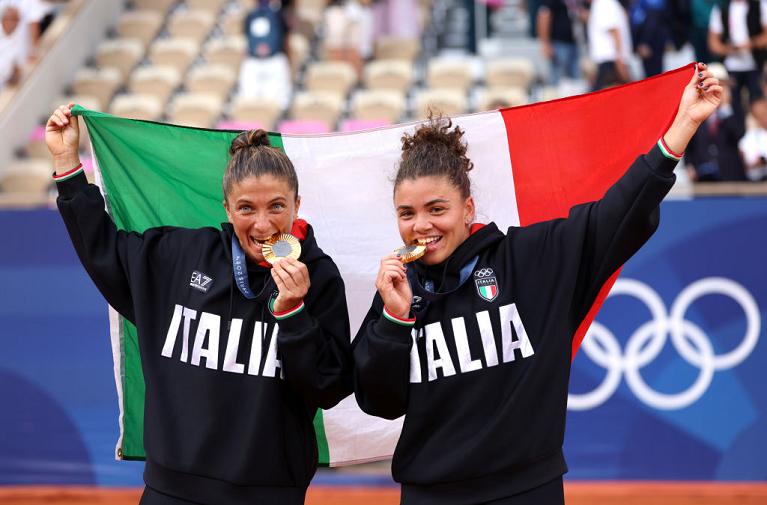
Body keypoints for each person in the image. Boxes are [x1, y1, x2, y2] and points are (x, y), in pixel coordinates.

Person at [353, 62, 721, 505]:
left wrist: (683, 125)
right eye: (406, 214)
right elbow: (380, 402)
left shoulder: (529, 258)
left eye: (437, 209)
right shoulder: (398, 290)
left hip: (527, 491)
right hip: (430, 494)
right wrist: (393, 322)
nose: (421, 226)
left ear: (467, 209)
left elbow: (614, 217)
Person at [46, 104, 352, 505]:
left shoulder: (318, 276)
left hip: (269, 494)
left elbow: (329, 386)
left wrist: (294, 315)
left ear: (297, 204)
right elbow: (104, 251)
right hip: (171, 493)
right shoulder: (180, 256)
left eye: (276, 206)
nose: (262, 224)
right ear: (226, 207)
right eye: (246, 208)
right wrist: (67, 162)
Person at [707, 0, 767, 117]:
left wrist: (752, 44)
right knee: (731, 105)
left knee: (758, 103)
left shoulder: (759, 5)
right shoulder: (722, 8)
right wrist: (728, 49)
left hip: (754, 64)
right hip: (730, 67)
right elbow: (713, 42)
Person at [587, 0, 633, 90]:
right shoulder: (602, 3)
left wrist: (619, 61)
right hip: (609, 62)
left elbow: (615, 31)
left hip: (611, 63)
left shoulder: (604, 3)